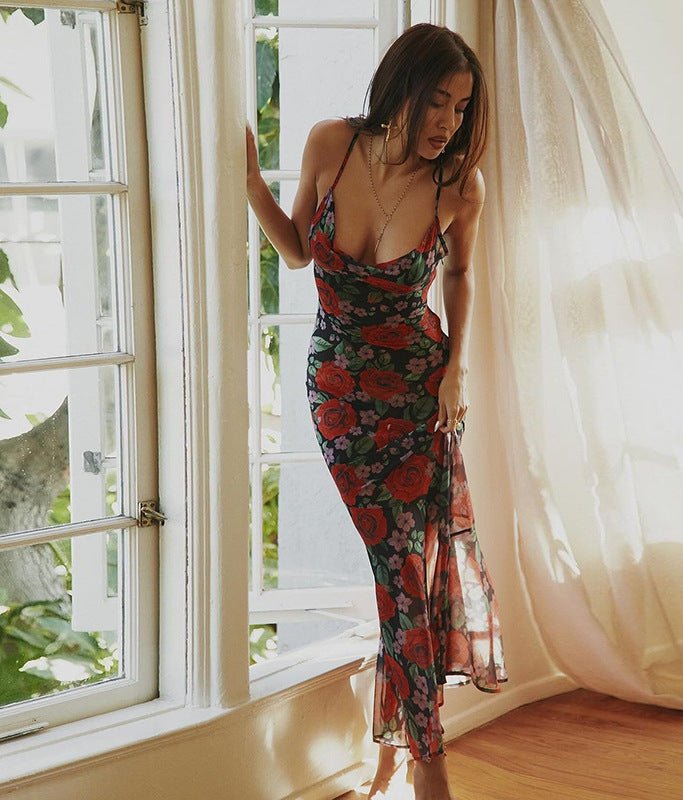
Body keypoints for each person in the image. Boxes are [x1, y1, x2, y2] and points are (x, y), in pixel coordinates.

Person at [245, 22, 507, 800]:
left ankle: (420, 761)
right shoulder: (331, 142)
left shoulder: (461, 186)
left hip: (420, 397)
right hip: (340, 397)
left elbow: (459, 279)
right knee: (399, 571)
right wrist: (250, 184)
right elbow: (297, 249)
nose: (448, 123)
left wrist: (457, 370)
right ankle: (403, 748)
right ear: (403, 86)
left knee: (408, 578)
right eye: (439, 101)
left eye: (462, 110)